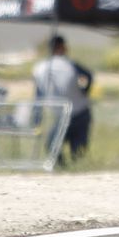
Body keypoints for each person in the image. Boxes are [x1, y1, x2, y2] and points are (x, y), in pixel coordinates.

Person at [31, 34, 94, 164]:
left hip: (62, 114)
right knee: (77, 151)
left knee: (52, 146)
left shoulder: (39, 69)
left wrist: (37, 119)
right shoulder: (70, 65)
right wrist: (84, 91)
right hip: (80, 112)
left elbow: (38, 96)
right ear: (62, 47)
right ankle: (72, 170)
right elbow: (89, 76)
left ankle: (64, 169)